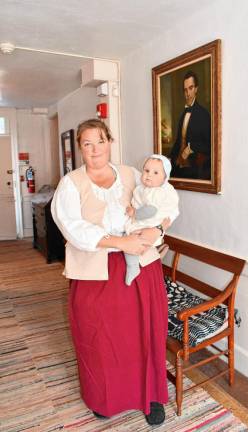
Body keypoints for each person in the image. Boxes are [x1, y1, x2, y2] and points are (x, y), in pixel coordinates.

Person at [51, 119, 170, 426]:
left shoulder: (131, 173)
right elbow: (74, 229)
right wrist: (121, 242)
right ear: (80, 148)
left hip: (142, 267)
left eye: (100, 141)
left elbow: (157, 202)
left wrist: (158, 228)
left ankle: (151, 397)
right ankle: (105, 396)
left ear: (110, 142)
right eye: (87, 144)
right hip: (96, 272)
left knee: (145, 334)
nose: (94, 150)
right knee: (101, 337)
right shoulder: (70, 184)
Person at [124, 154, 179, 285]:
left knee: (130, 243)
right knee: (131, 242)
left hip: (149, 223)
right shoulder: (143, 188)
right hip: (146, 224)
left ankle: (132, 267)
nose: (149, 175)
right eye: (146, 170)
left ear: (165, 178)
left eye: (155, 173)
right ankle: (154, 254)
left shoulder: (157, 192)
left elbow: (151, 210)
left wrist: (134, 213)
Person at [170, 70, 211, 180]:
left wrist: (190, 148)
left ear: (196, 89)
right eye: (185, 90)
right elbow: (179, 141)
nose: (187, 93)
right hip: (178, 167)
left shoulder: (203, 114)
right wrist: (168, 159)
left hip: (194, 169)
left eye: (191, 88)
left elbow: (209, 145)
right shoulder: (183, 114)